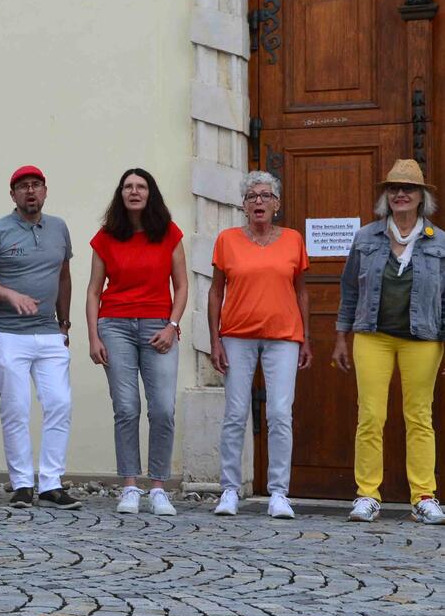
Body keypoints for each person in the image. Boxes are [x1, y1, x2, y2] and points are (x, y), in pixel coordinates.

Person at [333, 159, 445, 525]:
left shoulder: (439, 242)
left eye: (408, 188)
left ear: (421, 197)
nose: (400, 194)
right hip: (372, 336)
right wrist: (340, 336)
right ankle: (367, 494)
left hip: (423, 339)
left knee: (419, 417)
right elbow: (349, 289)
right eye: (394, 188)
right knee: (370, 416)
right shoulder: (366, 237)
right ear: (386, 196)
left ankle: (424, 496)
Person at [0, 165, 80, 511]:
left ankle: (50, 483)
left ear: (45, 191)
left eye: (35, 186)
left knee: (59, 403)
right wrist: (9, 295)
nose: (30, 192)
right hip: (7, 332)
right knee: (16, 407)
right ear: (13, 195)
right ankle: (21, 484)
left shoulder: (59, 229)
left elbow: (64, 276)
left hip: (49, 331)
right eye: (22, 187)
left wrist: (64, 322)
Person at [208, 170, 311, 520]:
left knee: (280, 414)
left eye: (266, 196)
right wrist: (214, 339)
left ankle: (279, 493)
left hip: (284, 336)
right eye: (252, 196)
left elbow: (301, 291)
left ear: (277, 204)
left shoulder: (293, 239)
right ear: (243, 204)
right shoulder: (227, 240)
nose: (258, 202)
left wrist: (306, 337)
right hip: (237, 335)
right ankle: (230, 490)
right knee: (235, 414)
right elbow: (215, 291)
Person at [86, 168, 188, 516]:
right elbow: (93, 291)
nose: (134, 191)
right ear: (121, 193)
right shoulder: (106, 237)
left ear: (150, 193)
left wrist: (173, 326)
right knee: (126, 408)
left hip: (159, 327)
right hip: (114, 327)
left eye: (140, 186)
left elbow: (182, 285)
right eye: (128, 186)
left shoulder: (169, 234)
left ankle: (158, 487)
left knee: (162, 408)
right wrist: (93, 336)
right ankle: (129, 486)